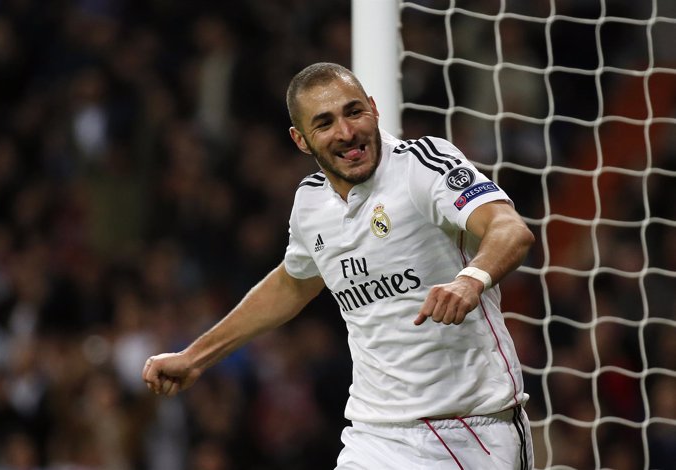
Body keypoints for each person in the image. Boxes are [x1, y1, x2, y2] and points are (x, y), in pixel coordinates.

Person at [143, 62, 536, 469]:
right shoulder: (310, 203)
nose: (347, 133)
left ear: (374, 108)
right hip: (375, 432)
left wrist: (471, 280)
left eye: (353, 112)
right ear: (301, 140)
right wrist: (194, 357)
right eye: (325, 123)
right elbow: (292, 285)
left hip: (472, 431)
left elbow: (509, 229)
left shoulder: (421, 165)